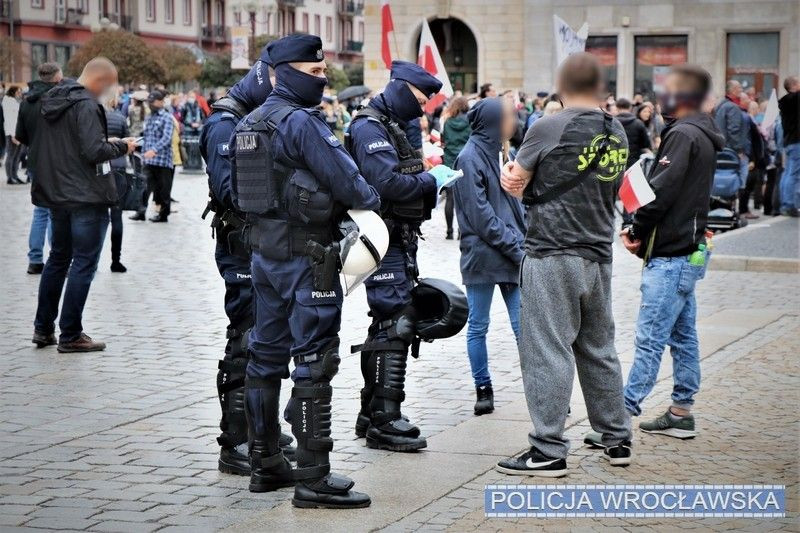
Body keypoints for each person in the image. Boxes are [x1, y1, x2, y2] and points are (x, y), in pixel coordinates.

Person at [229, 34, 379, 508]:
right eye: (314, 73)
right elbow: (356, 188)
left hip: (265, 257)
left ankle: (265, 462)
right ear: (286, 72)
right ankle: (313, 477)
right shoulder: (302, 124)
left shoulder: (250, 121)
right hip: (306, 259)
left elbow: (239, 193)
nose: (323, 78)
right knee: (316, 361)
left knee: (264, 357)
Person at [496, 53, 632, 476]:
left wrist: (511, 177)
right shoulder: (619, 130)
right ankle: (617, 438)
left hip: (552, 251)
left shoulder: (549, 126)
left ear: (563, 84)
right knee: (598, 348)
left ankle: (548, 449)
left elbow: (516, 183)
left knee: (547, 351)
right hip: (598, 254)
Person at [604, 64, 724, 441]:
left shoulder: (683, 134)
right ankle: (681, 412)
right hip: (687, 251)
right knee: (684, 335)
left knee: (650, 337)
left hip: (671, 253)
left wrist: (636, 228)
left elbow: (661, 193)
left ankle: (620, 420)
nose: (659, 100)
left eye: (667, 93)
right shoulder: (700, 132)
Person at [199, 46, 294, 477]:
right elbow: (228, 190)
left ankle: (264, 432)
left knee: (269, 338)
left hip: (265, 244)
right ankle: (235, 439)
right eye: (277, 79)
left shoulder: (261, 118)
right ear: (262, 75)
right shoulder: (225, 122)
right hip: (240, 245)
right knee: (244, 339)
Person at [347, 60, 450, 453]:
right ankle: (385, 420)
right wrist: (431, 180)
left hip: (397, 236)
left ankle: (371, 412)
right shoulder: (370, 125)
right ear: (404, 89)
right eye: (421, 99)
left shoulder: (391, 123)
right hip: (380, 235)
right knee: (397, 323)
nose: (423, 108)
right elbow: (386, 183)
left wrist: (427, 175)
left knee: (387, 322)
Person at [30, 57, 136, 352]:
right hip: (86, 196)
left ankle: (42, 328)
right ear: (100, 82)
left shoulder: (51, 101)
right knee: (84, 263)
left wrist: (106, 140)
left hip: (57, 192)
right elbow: (93, 151)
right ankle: (70, 333)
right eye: (110, 84)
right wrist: (121, 145)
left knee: (58, 259)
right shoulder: (87, 104)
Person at [452, 97, 525, 416]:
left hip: (510, 253)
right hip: (484, 255)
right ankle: (483, 388)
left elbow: (514, 206)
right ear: (494, 121)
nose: (515, 120)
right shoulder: (468, 158)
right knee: (478, 324)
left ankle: (541, 388)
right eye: (509, 116)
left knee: (525, 326)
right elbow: (480, 217)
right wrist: (516, 247)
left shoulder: (502, 152)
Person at [15, 63, 63, 275]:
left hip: (35, 161)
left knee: (40, 211)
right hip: (57, 162)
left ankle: (35, 259)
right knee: (56, 211)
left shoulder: (26, 102)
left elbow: (20, 136)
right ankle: (56, 257)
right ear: (56, 78)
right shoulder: (60, 99)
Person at [133, 90, 174, 222]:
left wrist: (154, 150)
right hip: (149, 160)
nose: (150, 104)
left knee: (163, 191)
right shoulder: (149, 117)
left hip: (163, 161)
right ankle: (140, 212)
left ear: (161, 102)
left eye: (153, 102)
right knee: (144, 187)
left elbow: (167, 138)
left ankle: (163, 215)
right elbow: (147, 137)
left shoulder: (167, 117)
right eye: (149, 102)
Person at [104, 98, 129, 273]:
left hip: (101, 167)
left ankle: (92, 258)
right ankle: (116, 259)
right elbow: (126, 142)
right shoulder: (120, 118)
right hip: (118, 166)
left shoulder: (93, 116)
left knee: (95, 216)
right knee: (116, 216)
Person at [441, 96, 471, 239]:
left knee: (450, 198)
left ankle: (449, 231)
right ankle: (461, 231)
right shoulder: (471, 122)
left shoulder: (447, 122)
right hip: (465, 161)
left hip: (449, 161)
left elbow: (443, 141)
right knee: (464, 198)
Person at [714, 80, 748, 195]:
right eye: (739, 88)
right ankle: (741, 202)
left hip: (721, 149)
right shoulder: (733, 107)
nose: (741, 90)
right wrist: (738, 150)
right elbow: (734, 130)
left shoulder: (721, 105)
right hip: (731, 151)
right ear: (733, 90)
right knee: (740, 176)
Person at [778, 76, 799, 216]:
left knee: (787, 173)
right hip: (797, 142)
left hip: (789, 142)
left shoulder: (785, 101)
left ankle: (785, 203)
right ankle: (789, 204)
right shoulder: (794, 99)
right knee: (793, 174)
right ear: (794, 85)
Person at [615, 97, 652, 166]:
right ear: (630, 108)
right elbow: (646, 145)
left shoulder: (611, 122)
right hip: (634, 163)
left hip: (615, 162)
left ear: (617, 107)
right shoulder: (638, 123)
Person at [3, 85, 23, 184]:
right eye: (18, 92)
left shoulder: (14, 101)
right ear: (13, 92)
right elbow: (9, 119)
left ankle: (15, 175)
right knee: (11, 155)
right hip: (12, 133)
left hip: (18, 132)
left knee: (17, 156)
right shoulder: (8, 102)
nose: (20, 94)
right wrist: (13, 135)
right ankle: (10, 177)